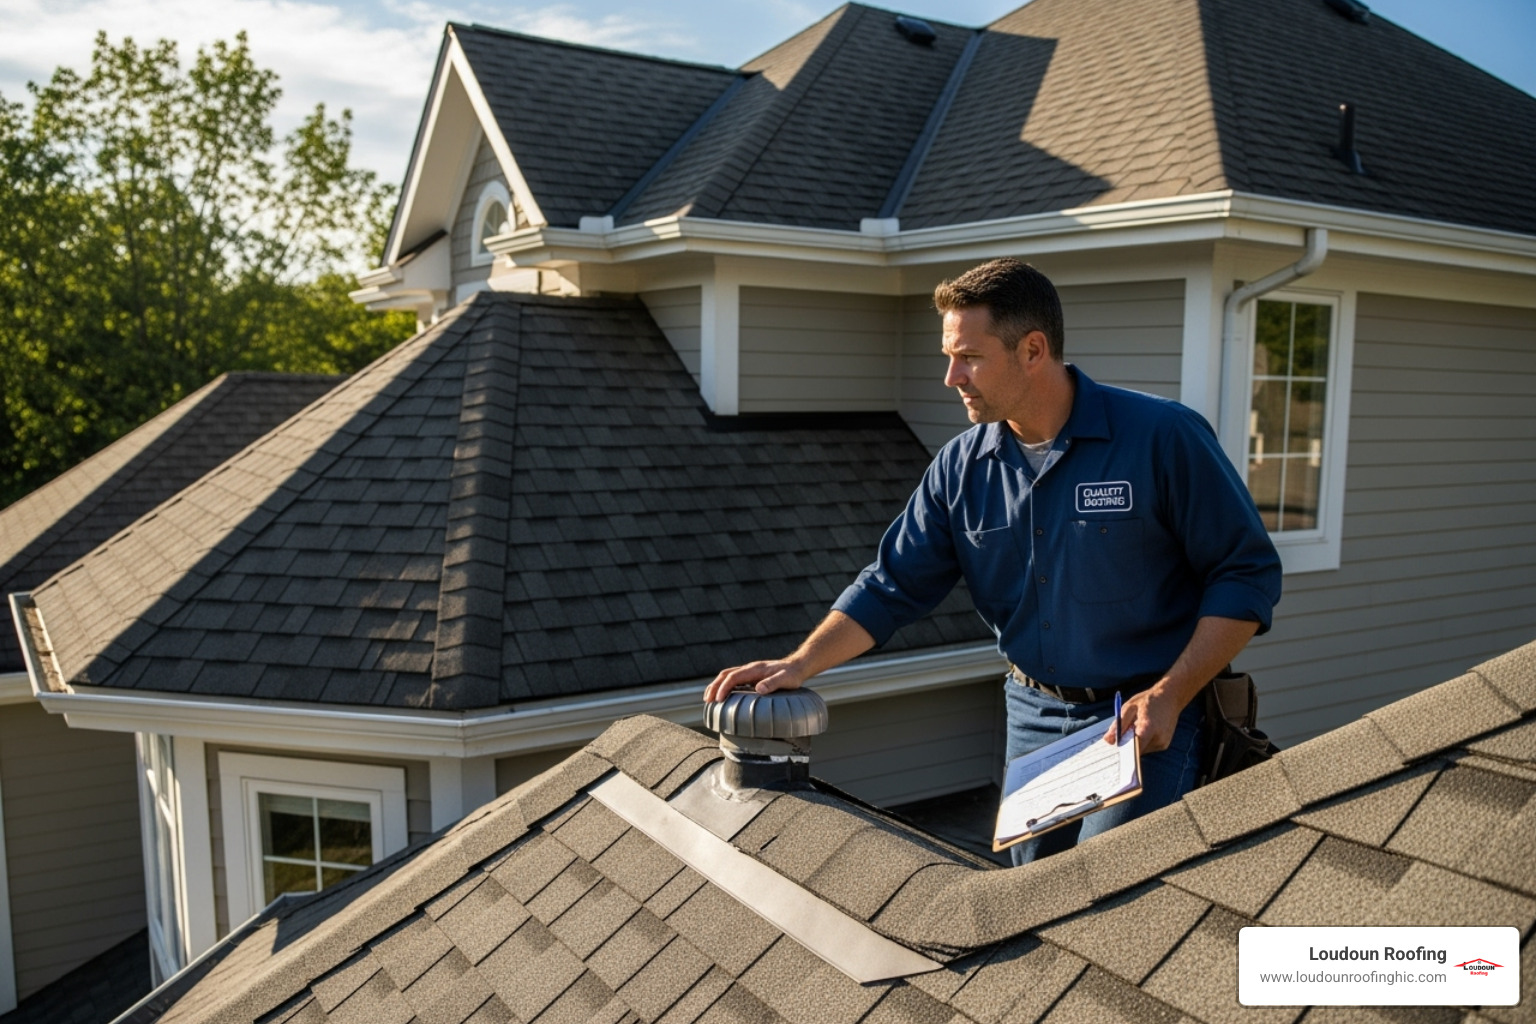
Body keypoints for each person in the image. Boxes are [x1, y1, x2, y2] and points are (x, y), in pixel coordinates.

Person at [705, 258, 1281, 864]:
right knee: (1026, 905)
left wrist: (1170, 693)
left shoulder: (1164, 438)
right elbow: (892, 585)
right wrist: (799, 664)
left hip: (1144, 719)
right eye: (949, 356)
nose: (953, 376)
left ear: (1033, 349)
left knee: (1107, 893)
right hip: (1033, 720)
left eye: (970, 357)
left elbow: (1246, 575)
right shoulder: (960, 467)